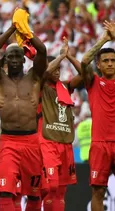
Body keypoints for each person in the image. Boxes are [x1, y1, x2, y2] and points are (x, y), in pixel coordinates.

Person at [0, 17, 47, 211]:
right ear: (5, 59)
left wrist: (26, 31)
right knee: (5, 192)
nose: (14, 60)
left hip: (31, 142)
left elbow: (43, 51)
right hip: (8, 142)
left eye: (17, 56)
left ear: (24, 59)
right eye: (10, 56)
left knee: (34, 194)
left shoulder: (35, 78)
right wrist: (12, 28)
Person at [38, 37, 83, 211]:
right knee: (51, 186)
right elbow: (44, 73)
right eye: (54, 68)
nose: (57, 71)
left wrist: (69, 56)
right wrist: (59, 58)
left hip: (65, 141)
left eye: (59, 69)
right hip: (48, 140)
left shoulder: (65, 86)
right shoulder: (40, 85)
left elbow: (85, 75)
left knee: (61, 190)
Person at [80, 21, 115, 211]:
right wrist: (104, 40)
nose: (110, 63)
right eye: (106, 61)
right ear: (99, 65)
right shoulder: (93, 82)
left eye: (113, 60)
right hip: (100, 144)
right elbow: (85, 61)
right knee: (98, 192)